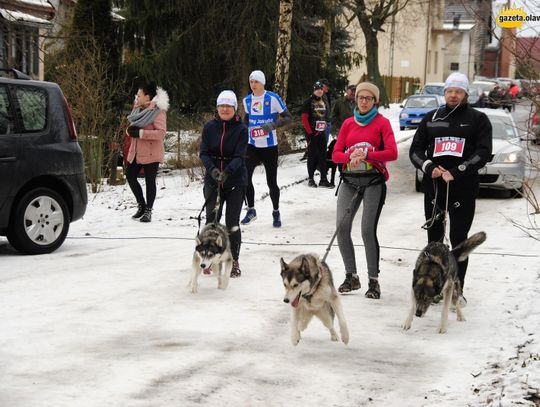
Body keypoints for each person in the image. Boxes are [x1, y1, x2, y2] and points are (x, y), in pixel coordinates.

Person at [409, 72, 492, 306]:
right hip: (435, 188)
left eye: (458, 91)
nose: (453, 95)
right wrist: (429, 166)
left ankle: (457, 289)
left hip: (462, 189)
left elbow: (483, 152)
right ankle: (434, 288)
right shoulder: (431, 118)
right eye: (449, 91)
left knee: (458, 241)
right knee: (434, 241)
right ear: (444, 93)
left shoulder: (478, 119)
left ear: (466, 94)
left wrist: (458, 171)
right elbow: (415, 150)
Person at [331, 82, 398, 299]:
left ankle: (373, 280)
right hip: (349, 180)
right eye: (360, 97)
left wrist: (368, 156)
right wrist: (349, 156)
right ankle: (351, 276)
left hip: (373, 181)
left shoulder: (382, 123)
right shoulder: (349, 124)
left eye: (368, 98)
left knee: (367, 230)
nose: (363, 101)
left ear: (375, 101)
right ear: (355, 99)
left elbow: (392, 152)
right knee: (342, 227)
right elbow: (335, 155)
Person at [200, 90, 248, 277]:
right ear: (217, 108)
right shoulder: (210, 127)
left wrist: (227, 171)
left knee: (232, 224)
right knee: (211, 221)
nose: (225, 109)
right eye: (222, 105)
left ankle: (233, 260)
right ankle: (209, 257)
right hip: (213, 180)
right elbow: (203, 153)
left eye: (229, 106)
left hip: (235, 180)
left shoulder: (241, 129)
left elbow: (239, 156)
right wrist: (213, 170)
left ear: (235, 108)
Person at [241, 70, 292, 227]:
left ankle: (276, 212)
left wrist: (272, 125)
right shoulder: (247, 100)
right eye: (251, 82)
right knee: (245, 177)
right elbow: (247, 119)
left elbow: (288, 118)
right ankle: (251, 210)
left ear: (262, 83)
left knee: (271, 182)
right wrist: (243, 132)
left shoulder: (272, 98)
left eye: (256, 82)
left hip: (269, 146)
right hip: (252, 146)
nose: (253, 85)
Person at [126, 82, 169, 223]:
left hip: (152, 152)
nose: (136, 97)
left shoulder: (157, 110)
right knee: (130, 176)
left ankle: (148, 211)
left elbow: (161, 134)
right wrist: (130, 131)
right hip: (136, 151)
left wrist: (141, 133)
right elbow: (132, 126)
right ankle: (141, 205)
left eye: (139, 95)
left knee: (150, 182)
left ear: (147, 96)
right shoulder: (137, 109)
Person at [302, 81, 333, 188]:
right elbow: (304, 119)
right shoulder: (308, 102)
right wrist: (310, 133)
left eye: (321, 89)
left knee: (323, 155)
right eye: (317, 89)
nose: (319, 91)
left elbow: (324, 117)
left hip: (321, 132)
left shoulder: (323, 101)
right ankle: (311, 179)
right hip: (311, 133)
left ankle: (323, 179)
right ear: (314, 90)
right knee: (312, 155)